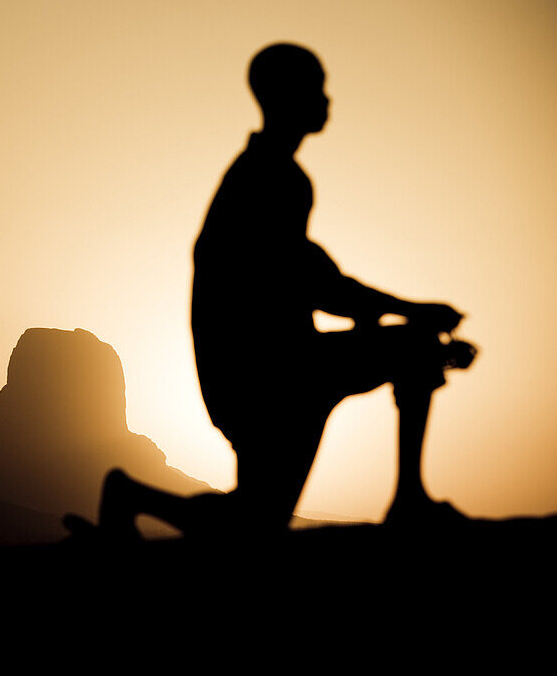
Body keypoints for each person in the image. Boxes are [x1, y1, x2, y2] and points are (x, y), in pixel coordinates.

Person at [67, 43, 477, 539]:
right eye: (318, 89)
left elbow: (314, 282)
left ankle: (130, 496)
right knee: (411, 346)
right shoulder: (272, 179)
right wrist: (415, 316)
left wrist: (397, 319)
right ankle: (409, 500)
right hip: (272, 377)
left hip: (253, 378)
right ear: (286, 96)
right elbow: (317, 285)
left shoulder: (265, 175)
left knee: (256, 521)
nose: (328, 100)